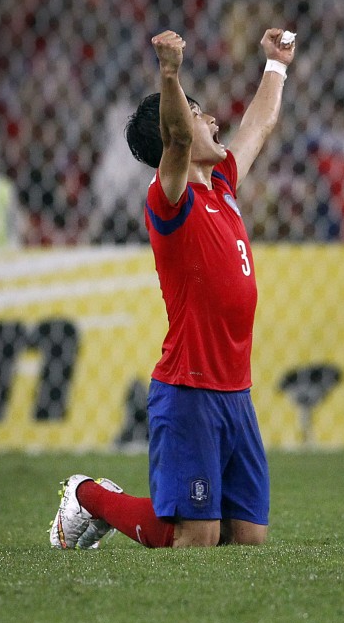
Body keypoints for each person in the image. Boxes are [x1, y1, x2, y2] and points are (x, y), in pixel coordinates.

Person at [47, 27, 295, 549]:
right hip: (190, 391)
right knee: (195, 539)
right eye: (202, 113)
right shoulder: (170, 199)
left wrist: (276, 65)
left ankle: (119, 502)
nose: (214, 120)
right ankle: (88, 495)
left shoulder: (222, 184)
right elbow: (179, 137)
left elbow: (259, 124)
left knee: (247, 540)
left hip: (236, 392)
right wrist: (170, 73)